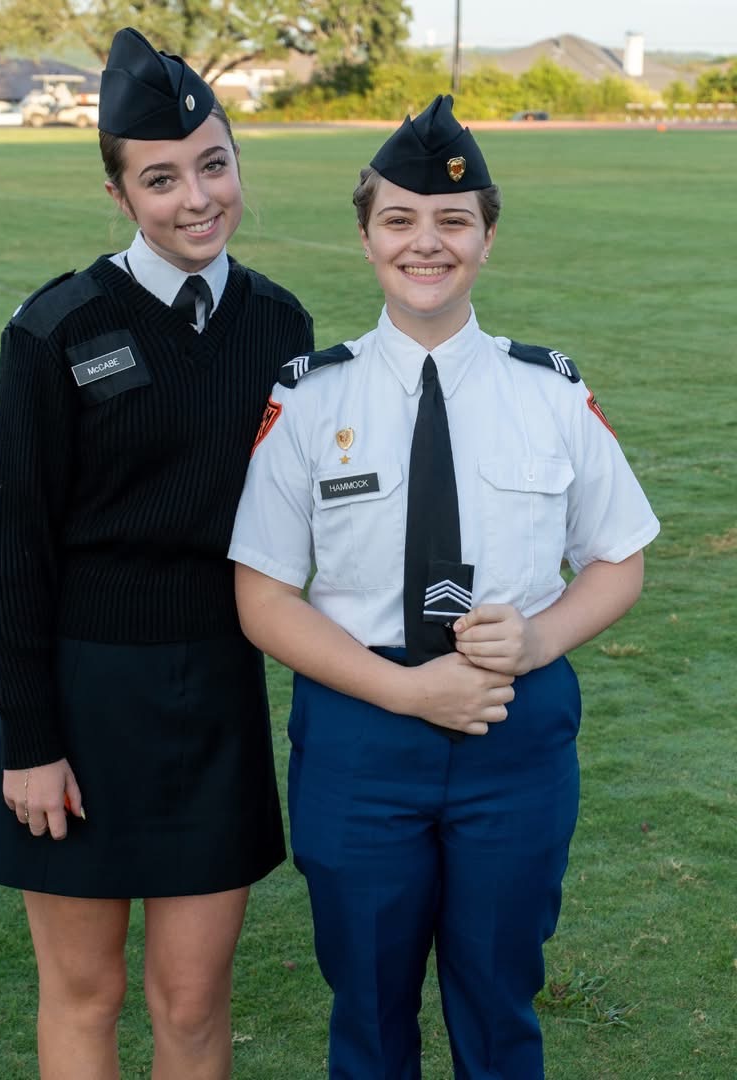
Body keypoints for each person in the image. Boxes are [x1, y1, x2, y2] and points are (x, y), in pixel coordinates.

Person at [229, 95, 659, 1079]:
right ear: (367, 237)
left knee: (500, 1004)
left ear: (488, 237)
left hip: (515, 726)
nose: (427, 243)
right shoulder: (310, 397)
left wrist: (541, 639)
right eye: (400, 220)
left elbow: (618, 559)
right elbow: (263, 596)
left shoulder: (548, 393)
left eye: (453, 221)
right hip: (361, 730)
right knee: (368, 1009)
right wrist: (407, 691)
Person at [0, 27, 313, 1080]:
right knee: (86, 994)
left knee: (193, 1001)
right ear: (119, 194)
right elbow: (12, 551)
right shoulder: (58, 329)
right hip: (79, 703)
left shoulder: (281, 324)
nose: (196, 199)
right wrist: (31, 740)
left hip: (215, 692)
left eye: (214, 165)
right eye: (161, 179)